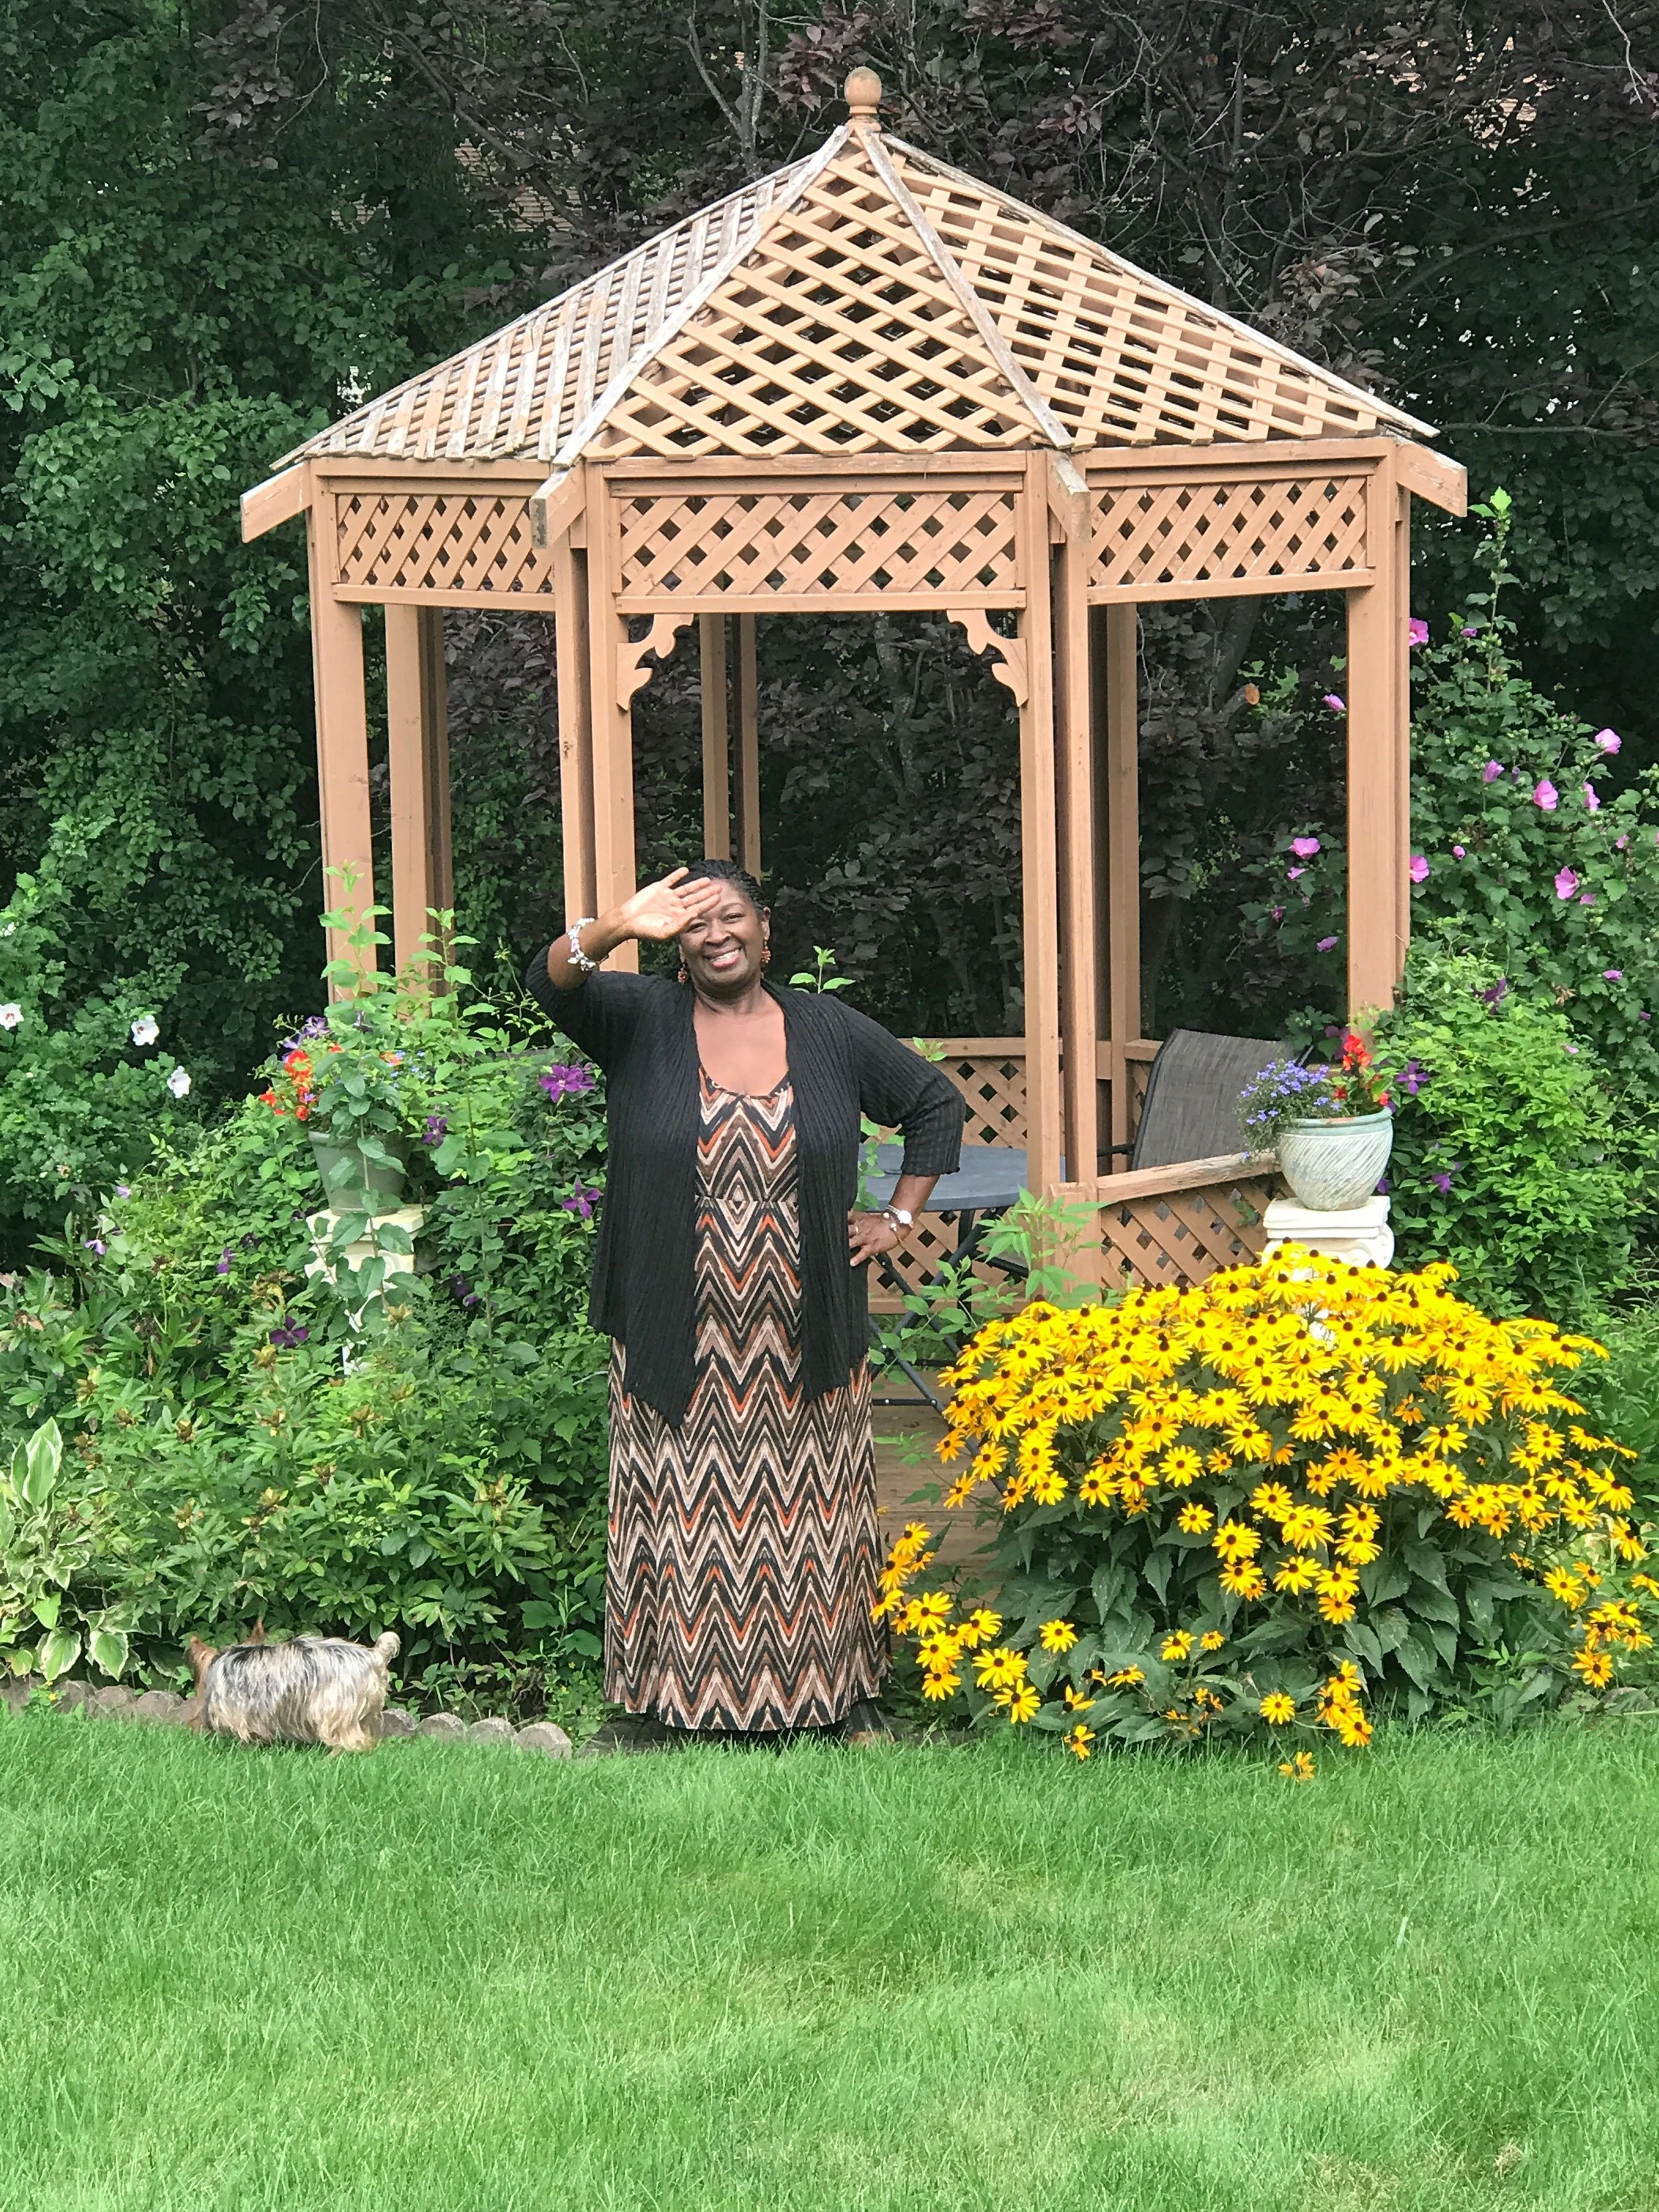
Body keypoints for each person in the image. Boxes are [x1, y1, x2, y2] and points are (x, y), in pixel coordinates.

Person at [524, 860, 964, 1748]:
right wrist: (615, 925)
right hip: (671, 1325)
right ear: (676, 947)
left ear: (767, 932)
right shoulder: (643, 1019)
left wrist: (898, 1217)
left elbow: (933, 1103)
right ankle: (673, 1709)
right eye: (694, 924)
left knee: (815, 1515)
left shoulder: (827, 1029)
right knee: (677, 1515)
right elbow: (550, 981)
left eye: (733, 918)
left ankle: (833, 1699)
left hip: (806, 1332)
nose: (716, 934)